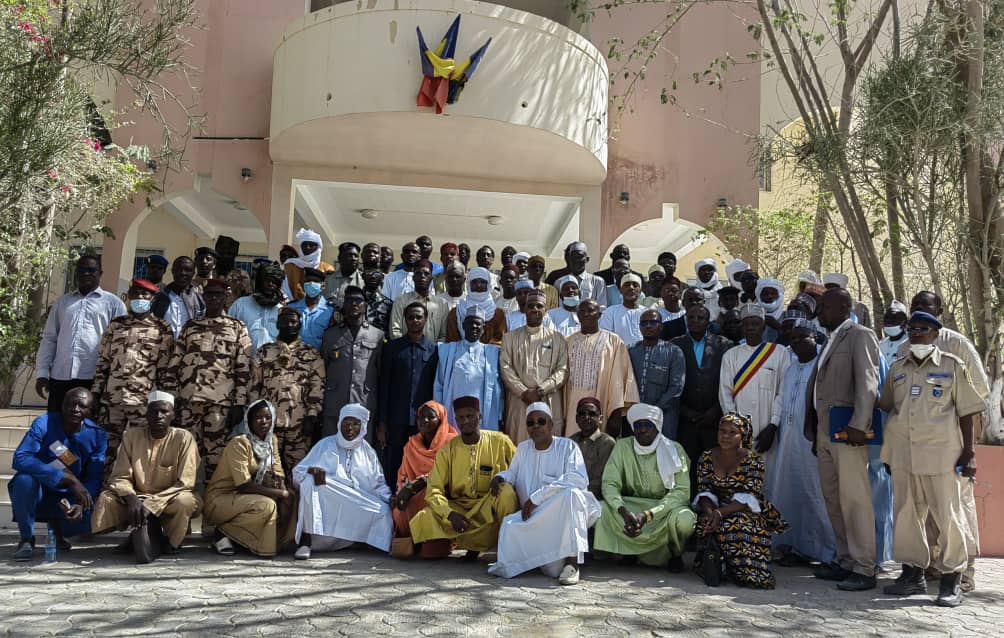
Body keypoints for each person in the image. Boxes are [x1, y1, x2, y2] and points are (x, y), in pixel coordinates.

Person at [879, 311, 984, 607]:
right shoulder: (897, 368)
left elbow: (968, 412)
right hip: (903, 455)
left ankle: (952, 580)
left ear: (936, 334)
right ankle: (912, 575)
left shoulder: (952, 366)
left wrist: (969, 453)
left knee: (948, 517)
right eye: (912, 329)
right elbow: (889, 407)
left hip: (941, 456)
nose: (916, 333)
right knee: (906, 516)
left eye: (923, 329)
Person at [900, 290, 988, 592]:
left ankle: (964, 570)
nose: (919, 310)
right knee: (922, 506)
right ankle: (933, 566)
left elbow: (978, 394)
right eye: (915, 306)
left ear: (940, 312)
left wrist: (967, 448)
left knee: (957, 505)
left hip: (952, 440)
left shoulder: (956, 344)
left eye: (926, 307)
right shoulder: (905, 346)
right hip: (915, 442)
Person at [808, 287, 881, 591]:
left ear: (843, 308)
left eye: (824, 306)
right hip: (826, 432)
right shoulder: (830, 338)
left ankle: (864, 567)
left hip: (848, 433)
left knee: (855, 500)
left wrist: (859, 425)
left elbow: (868, 382)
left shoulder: (860, 335)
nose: (819, 312)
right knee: (834, 499)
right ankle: (845, 560)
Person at [487, 403, 600, 584]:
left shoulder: (567, 446)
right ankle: (539, 559)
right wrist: (501, 477)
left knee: (573, 494)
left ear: (551, 424)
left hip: (560, 515)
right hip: (533, 516)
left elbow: (578, 478)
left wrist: (537, 498)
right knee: (509, 526)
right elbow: (513, 473)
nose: (536, 426)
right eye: (530, 423)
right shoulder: (523, 448)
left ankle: (572, 564)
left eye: (541, 421)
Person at [91, 391, 201, 563]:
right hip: (137, 498)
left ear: (173, 415)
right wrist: (132, 498)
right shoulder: (132, 436)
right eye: (154, 412)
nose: (159, 416)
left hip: (170, 498)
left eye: (164, 411)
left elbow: (185, 482)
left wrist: (151, 504)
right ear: (146, 415)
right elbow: (120, 476)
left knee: (185, 501)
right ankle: (140, 534)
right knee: (107, 498)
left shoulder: (183, 438)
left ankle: (171, 542)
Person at [408, 396, 519, 559]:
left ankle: (509, 547)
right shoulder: (447, 450)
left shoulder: (500, 442)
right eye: (460, 418)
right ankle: (468, 545)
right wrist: (450, 514)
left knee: (506, 493)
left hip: (489, 506)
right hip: (460, 510)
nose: (465, 421)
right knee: (426, 516)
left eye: (470, 416)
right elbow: (434, 490)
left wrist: (504, 477)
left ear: (479, 417)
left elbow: (519, 470)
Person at [764, 321, 836, 565]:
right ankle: (795, 546)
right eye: (792, 339)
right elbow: (782, 399)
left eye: (802, 338)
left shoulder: (822, 366)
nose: (796, 343)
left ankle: (826, 551)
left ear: (815, 338)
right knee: (790, 492)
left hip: (812, 441)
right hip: (788, 440)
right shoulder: (791, 368)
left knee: (815, 493)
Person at [167, 278, 253, 482]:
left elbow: (243, 368)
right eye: (210, 294)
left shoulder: (237, 327)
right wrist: (171, 396)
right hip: (189, 401)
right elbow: (175, 362)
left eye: (218, 294)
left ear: (225, 298)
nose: (214, 298)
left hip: (220, 403)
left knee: (216, 457)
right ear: (203, 297)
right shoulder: (191, 326)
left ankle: (213, 495)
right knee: (185, 453)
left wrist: (239, 403)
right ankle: (186, 494)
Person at [593, 403, 695, 570]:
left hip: (664, 510)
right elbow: (610, 483)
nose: (643, 430)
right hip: (631, 508)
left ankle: (674, 554)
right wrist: (623, 510)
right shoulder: (623, 446)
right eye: (638, 425)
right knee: (601, 509)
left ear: (657, 427)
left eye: (648, 425)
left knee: (684, 520)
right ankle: (628, 551)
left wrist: (648, 514)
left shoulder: (674, 450)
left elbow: (681, 492)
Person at [693, 413, 788, 588]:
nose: (725, 436)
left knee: (738, 524)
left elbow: (748, 497)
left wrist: (719, 513)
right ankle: (716, 566)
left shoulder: (753, 461)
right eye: (722, 431)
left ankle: (748, 572)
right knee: (704, 524)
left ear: (743, 436)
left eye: (732, 432)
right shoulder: (707, 457)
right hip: (715, 508)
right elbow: (704, 491)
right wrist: (710, 513)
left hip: (745, 510)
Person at [9, 389, 106, 560]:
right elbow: (21, 458)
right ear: (62, 405)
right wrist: (66, 478)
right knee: (23, 481)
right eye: (71, 404)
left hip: (70, 495)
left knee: (85, 519)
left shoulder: (97, 435)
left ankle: (58, 532)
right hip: (40, 489)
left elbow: (94, 476)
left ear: (90, 411)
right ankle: (26, 539)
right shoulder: (44, 422)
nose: (75, 409)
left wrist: (81, 504)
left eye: (82, 406)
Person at [91, 278, 174, 475]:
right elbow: (103, 362)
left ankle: (139, 489)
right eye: (136, 293)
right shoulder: (116, 325)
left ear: (152, 298)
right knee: (105, 449)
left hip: (143, 401)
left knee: (143, 450)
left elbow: (164, 370)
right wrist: (95, 393)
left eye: (145, 294)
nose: (140, 297)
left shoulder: (162, 328)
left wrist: (163, 402)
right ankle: (103, 488)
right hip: (112, 399)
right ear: (129, 296)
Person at [292, 404, 393, 558]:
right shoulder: (325, 444)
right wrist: (311, 470)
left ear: (363, 427)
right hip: (332, 496)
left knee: (384, 511)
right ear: (339, 423)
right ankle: (306, 541)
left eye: (355, 423)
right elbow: (298, 473)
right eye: (346, 422)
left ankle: (358, 541)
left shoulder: (367, 451)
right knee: (309, 482)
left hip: (356, 499)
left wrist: (389, 498)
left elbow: (377, 484)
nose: (349, 428)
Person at [35, 254, 127, 412]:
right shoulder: (62, 302)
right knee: (57, 423)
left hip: (94, 379)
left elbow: (121, 345)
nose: (86, 273)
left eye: (91, 270)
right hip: (61, 377)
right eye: (82, 270)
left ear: (100, 273)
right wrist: (42, 373)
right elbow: (49, 339)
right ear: (76, 273)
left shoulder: (114, 304)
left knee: (89, 425)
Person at [204, 400, 295, 556]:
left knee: (293, 497)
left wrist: (283, 491)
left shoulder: (271, 440)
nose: (263, 422)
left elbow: (277, 470)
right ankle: (223, 532)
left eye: (268, 417)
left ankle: (272, 540)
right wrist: (280, 494)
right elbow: (243, 485)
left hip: (247, 497)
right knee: (266, 505)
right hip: (222, 499)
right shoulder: (240, 443)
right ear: (249, 421)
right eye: (258, 418)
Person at [251, 308, 325, 477]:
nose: (289, 325)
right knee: (267, 473)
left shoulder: (311, 353)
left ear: (299, 325)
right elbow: (254, 384)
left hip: (299, 425)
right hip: (268, 424)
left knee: (297, 474)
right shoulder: (265, 351)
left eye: (293, 322)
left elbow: (317, 385)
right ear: (277, 324)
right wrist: (253, 416)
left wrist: (312, 414)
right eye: (284, 321)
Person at [718, 304, 789, 471]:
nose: (750, 328)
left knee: (769, 475)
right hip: (739, 431)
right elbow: (725, 393)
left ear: (763, 327)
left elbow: (783, 391)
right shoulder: (731, 355)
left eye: (755, 324)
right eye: (746, 324)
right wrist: (734, 427)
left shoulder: (779, 352)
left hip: (769, 430)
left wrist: (773, 425)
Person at [671, 304, 733, 484]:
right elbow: (671, 383)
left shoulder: (724, 345)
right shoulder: (675, 345)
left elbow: (729, 382)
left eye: (700, 318)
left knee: (713, 466)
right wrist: (686, 411)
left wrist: (716, 409)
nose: (695, 321)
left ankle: (711, 498)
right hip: (686, 420)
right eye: (691, 317)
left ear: (708, 322)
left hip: (714, 419)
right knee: (686, 467)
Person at [378, 302, 438, 485]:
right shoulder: (392, 348)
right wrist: (382, 422)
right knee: (394, 461)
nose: (415, 320)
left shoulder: (434, 350)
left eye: (419, 317)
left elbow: (436, 386)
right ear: (405, 320)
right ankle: (393, 495)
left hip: (423, 420)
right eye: (411, 317)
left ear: (425, 320)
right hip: (397, 418)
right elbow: (384, 385)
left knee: (420, 462)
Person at [500, 290, 568, 442]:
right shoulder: (510, 338)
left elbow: (562, 370)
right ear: (525, 308)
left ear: (545, 309)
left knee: (549, 444)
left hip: (547, 399)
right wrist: (523, 392)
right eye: (530, 306)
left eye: (539, 306)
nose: (535, 309)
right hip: (519, 401)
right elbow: (505, 368)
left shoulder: (557, 339)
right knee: (519, 443)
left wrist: (541, 390)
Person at [392, 400, 457, 558]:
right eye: (421, 417)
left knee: (431, 552)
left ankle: (435, 539)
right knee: (400, 507)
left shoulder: (452, 442)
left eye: (431, 417)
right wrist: (401, 491)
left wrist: (419, 484)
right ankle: (414, 539)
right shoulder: (411, 445)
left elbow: (453, 474)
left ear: (441, 419)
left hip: (442, 494)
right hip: (413, 494)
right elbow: (403, 475)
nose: (425, 420)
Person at [563, 300, 639, 436]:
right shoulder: (568, 341)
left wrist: (615, 414)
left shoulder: (614, 341)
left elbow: (618, 380)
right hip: (571, 408)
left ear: (599, 315)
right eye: (582, 311)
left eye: (591, 311)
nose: (586, 314)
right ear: (577, 315)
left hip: (602, 403)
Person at [320, 285, 383, 439]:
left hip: (363, 402)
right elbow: (323, 370)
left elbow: (380, 373)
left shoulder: (377, 335)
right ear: (343, 305)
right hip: (335, 404)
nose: (354, 304)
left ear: (365, 305)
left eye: (358, 300)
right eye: (349, 300)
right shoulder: (330, 335)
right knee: (332, 447)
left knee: (361, 449)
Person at [434, 307, 504, 430]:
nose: (474, 326)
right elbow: (439, 384)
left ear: (483, 329)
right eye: (470, 323)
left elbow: (499, 388)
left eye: (478, 324)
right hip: (453, 410)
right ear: (463, 326)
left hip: (483, 411)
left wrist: (499, 414)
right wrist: (439, 412)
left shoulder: (492, 352)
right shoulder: (448, 351)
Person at [629, 309, 686, 439]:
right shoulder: (631, 351)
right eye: (644, 323)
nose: (648, 326)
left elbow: (676, 387)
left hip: (664, 416)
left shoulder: (673, 352)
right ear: (639, 327)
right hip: (636, 415)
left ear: (661, 326)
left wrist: (654, 409)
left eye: (653, 322)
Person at [229, 261, 284, 356]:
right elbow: (229, 333)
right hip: (244, 361)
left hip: (273, 362)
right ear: (259, 282)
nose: (270, 284)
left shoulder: (281, 311)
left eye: (274, 282)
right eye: (267, 280)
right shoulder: (240, 304)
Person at [569, 398, 616, 500]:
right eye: (582, 414)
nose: (586, 417)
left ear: (600, 418)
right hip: (571, 495)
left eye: (592, 414)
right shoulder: (571, 442)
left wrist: (578, 496)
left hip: (595, 499)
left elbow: (599, 481)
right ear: (576, 418)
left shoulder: (607, 443)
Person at [388, 260, 448, 341]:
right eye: (418, 273)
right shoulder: (401, 301)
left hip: (434, 348)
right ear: (413, 277)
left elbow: (444, 335)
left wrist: (434, 348)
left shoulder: (442, 304)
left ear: (431, 278)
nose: (422, 276)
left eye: (426, 274)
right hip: (405, 348)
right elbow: (395, 331)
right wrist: (406, 347)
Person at [446, 267, 508, 345]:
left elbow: (499, 341)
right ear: (468, 285)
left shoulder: (498, 314)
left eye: (483, 282)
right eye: (474, 282)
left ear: (488, 285)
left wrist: (482, 351)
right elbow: (452, 342)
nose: (478, 285)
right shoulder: (456, 313)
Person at [152, 256, 205, 339]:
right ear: (172, 271)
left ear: (193, 273)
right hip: (163, 345)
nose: (183, 273)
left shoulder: (200, 299)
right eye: (178, 269)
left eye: (187, 270)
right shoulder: (160, 296)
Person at [544, 241, 607, 307]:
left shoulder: (598, 282)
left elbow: (602, 307)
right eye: (573, 257)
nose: (576, 260)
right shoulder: (559, 282)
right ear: (568, 259)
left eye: (580, 257)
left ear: (587, 259)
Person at [287, 267, 334, 350]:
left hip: (318, 356)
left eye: (315, 281)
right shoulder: (291, 308)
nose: (311, 284)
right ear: (303, 284)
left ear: (323, 286)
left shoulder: (330, 311)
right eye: (308, 281)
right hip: (294, 355)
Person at [282, 228, 334, 301]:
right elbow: (285, 289)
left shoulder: (327, 268)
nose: (307, 247)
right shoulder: (290, 265)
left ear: (318, 247)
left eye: (311, 245)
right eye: (304, 244)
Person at [599, 273, 645, 346]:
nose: (631, 288)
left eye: (635, 285)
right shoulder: (610, 312)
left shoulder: (647, 312)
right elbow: (605, 338)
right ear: (620, 290)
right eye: (627, 285)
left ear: (640, 291)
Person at [322, 241, 364, 309]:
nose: (353, 258)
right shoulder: (327, 279)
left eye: (356, 256)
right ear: (339, 258)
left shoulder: (364, 280)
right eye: (349, 255)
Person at [362, 268, 393, 334]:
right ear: (363, 276)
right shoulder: (354, 300)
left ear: (382, 277)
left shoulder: (388, 304)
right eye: (369, 272)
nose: (373, 276)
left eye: (377, 273)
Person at [879, 300, 909, 364]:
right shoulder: (881, 345)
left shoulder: (910, 344)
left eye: (895, 319)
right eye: (888, 319)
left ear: (904, 322)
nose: (890, 323)